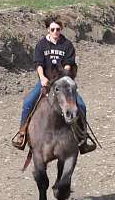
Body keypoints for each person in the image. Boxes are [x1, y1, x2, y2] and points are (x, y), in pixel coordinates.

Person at [11, 19, 96, 154]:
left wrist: (63, 76)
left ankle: (83, 138)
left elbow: (68, 64)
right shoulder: (41, 45)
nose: (55, 32)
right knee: (28, 102)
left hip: (62, 82)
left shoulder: (67, 45)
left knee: (81, 105)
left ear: (61, 30)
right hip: (46, 81)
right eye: (52, 29)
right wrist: (43, 78)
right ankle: (22, 134)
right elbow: (39, 64)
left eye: (58, 29)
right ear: (48, 30)